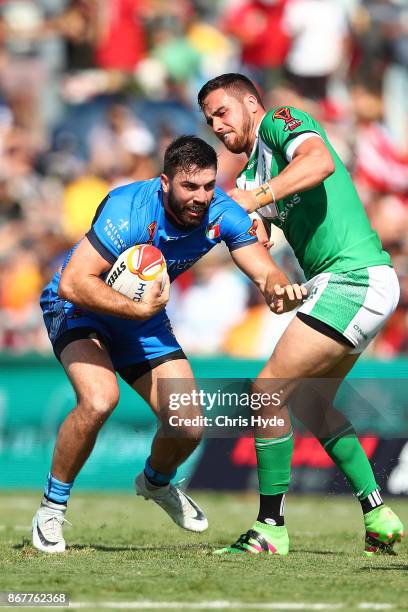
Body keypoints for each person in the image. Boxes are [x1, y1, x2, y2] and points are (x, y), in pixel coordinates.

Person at [32, 135, 303, 553]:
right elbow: (72, 282)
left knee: (188, 425)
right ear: (164, 182)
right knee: (100, 399)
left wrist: (278, 286)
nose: (200, 197)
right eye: (189, 187)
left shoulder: (222, 212)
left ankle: (156, 483)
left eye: (208, 186)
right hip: (79, 307)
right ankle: (51, 510)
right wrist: (137, 311)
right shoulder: (129, 210)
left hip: (141, 317)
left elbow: (263, 268)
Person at [198, 73, 405, 556]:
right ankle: (379, 512)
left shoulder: (280, 122)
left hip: (353, 277)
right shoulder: (247, 178)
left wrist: (258, 199)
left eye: (223, 112)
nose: (216, 125)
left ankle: (270, 526)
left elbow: (319, 162)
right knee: (311, 403)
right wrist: (273, 284)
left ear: (251, 103)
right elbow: (254, 247)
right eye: (209, 120)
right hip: (348, 283)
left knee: (267, 391)